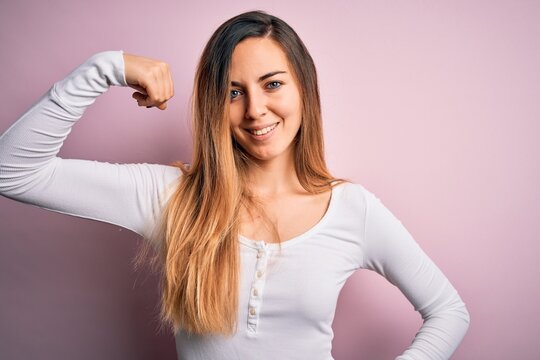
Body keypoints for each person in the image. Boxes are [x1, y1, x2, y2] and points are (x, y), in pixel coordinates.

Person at [0, 9, 470, 360]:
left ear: (303, 88)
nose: (255, 111)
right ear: (213, 104)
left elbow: (449, 311)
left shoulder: (352, 209)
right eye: (233, 92)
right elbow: (12, 170)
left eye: (272, 84)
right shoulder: (171, 198)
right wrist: (106, 67)